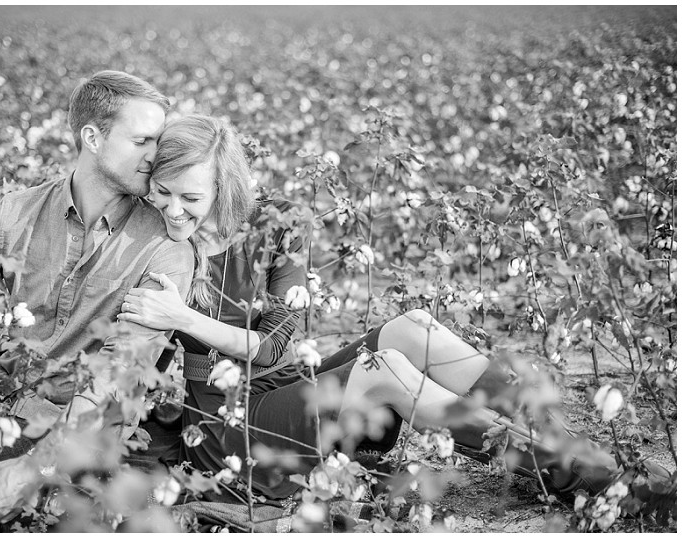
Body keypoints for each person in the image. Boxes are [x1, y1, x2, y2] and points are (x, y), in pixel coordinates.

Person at [119, 114, 674, 509]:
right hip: (230, 425)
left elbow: (279, 344)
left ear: (227, 185)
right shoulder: (155, 246)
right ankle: (583, 473)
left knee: (412, 328)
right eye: (163, 193)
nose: (173, 209)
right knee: (378, 368)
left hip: (282, 378)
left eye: (191, 198)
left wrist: (185, 318)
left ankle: (567, 457)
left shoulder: (273, 223)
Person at [0, 70, 195, 528]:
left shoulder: (165, 251)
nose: (156, 156)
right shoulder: (10, 216)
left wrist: (34, 468)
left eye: (158, 140)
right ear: (92, 137)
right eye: (142, 141)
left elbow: (117, 380)